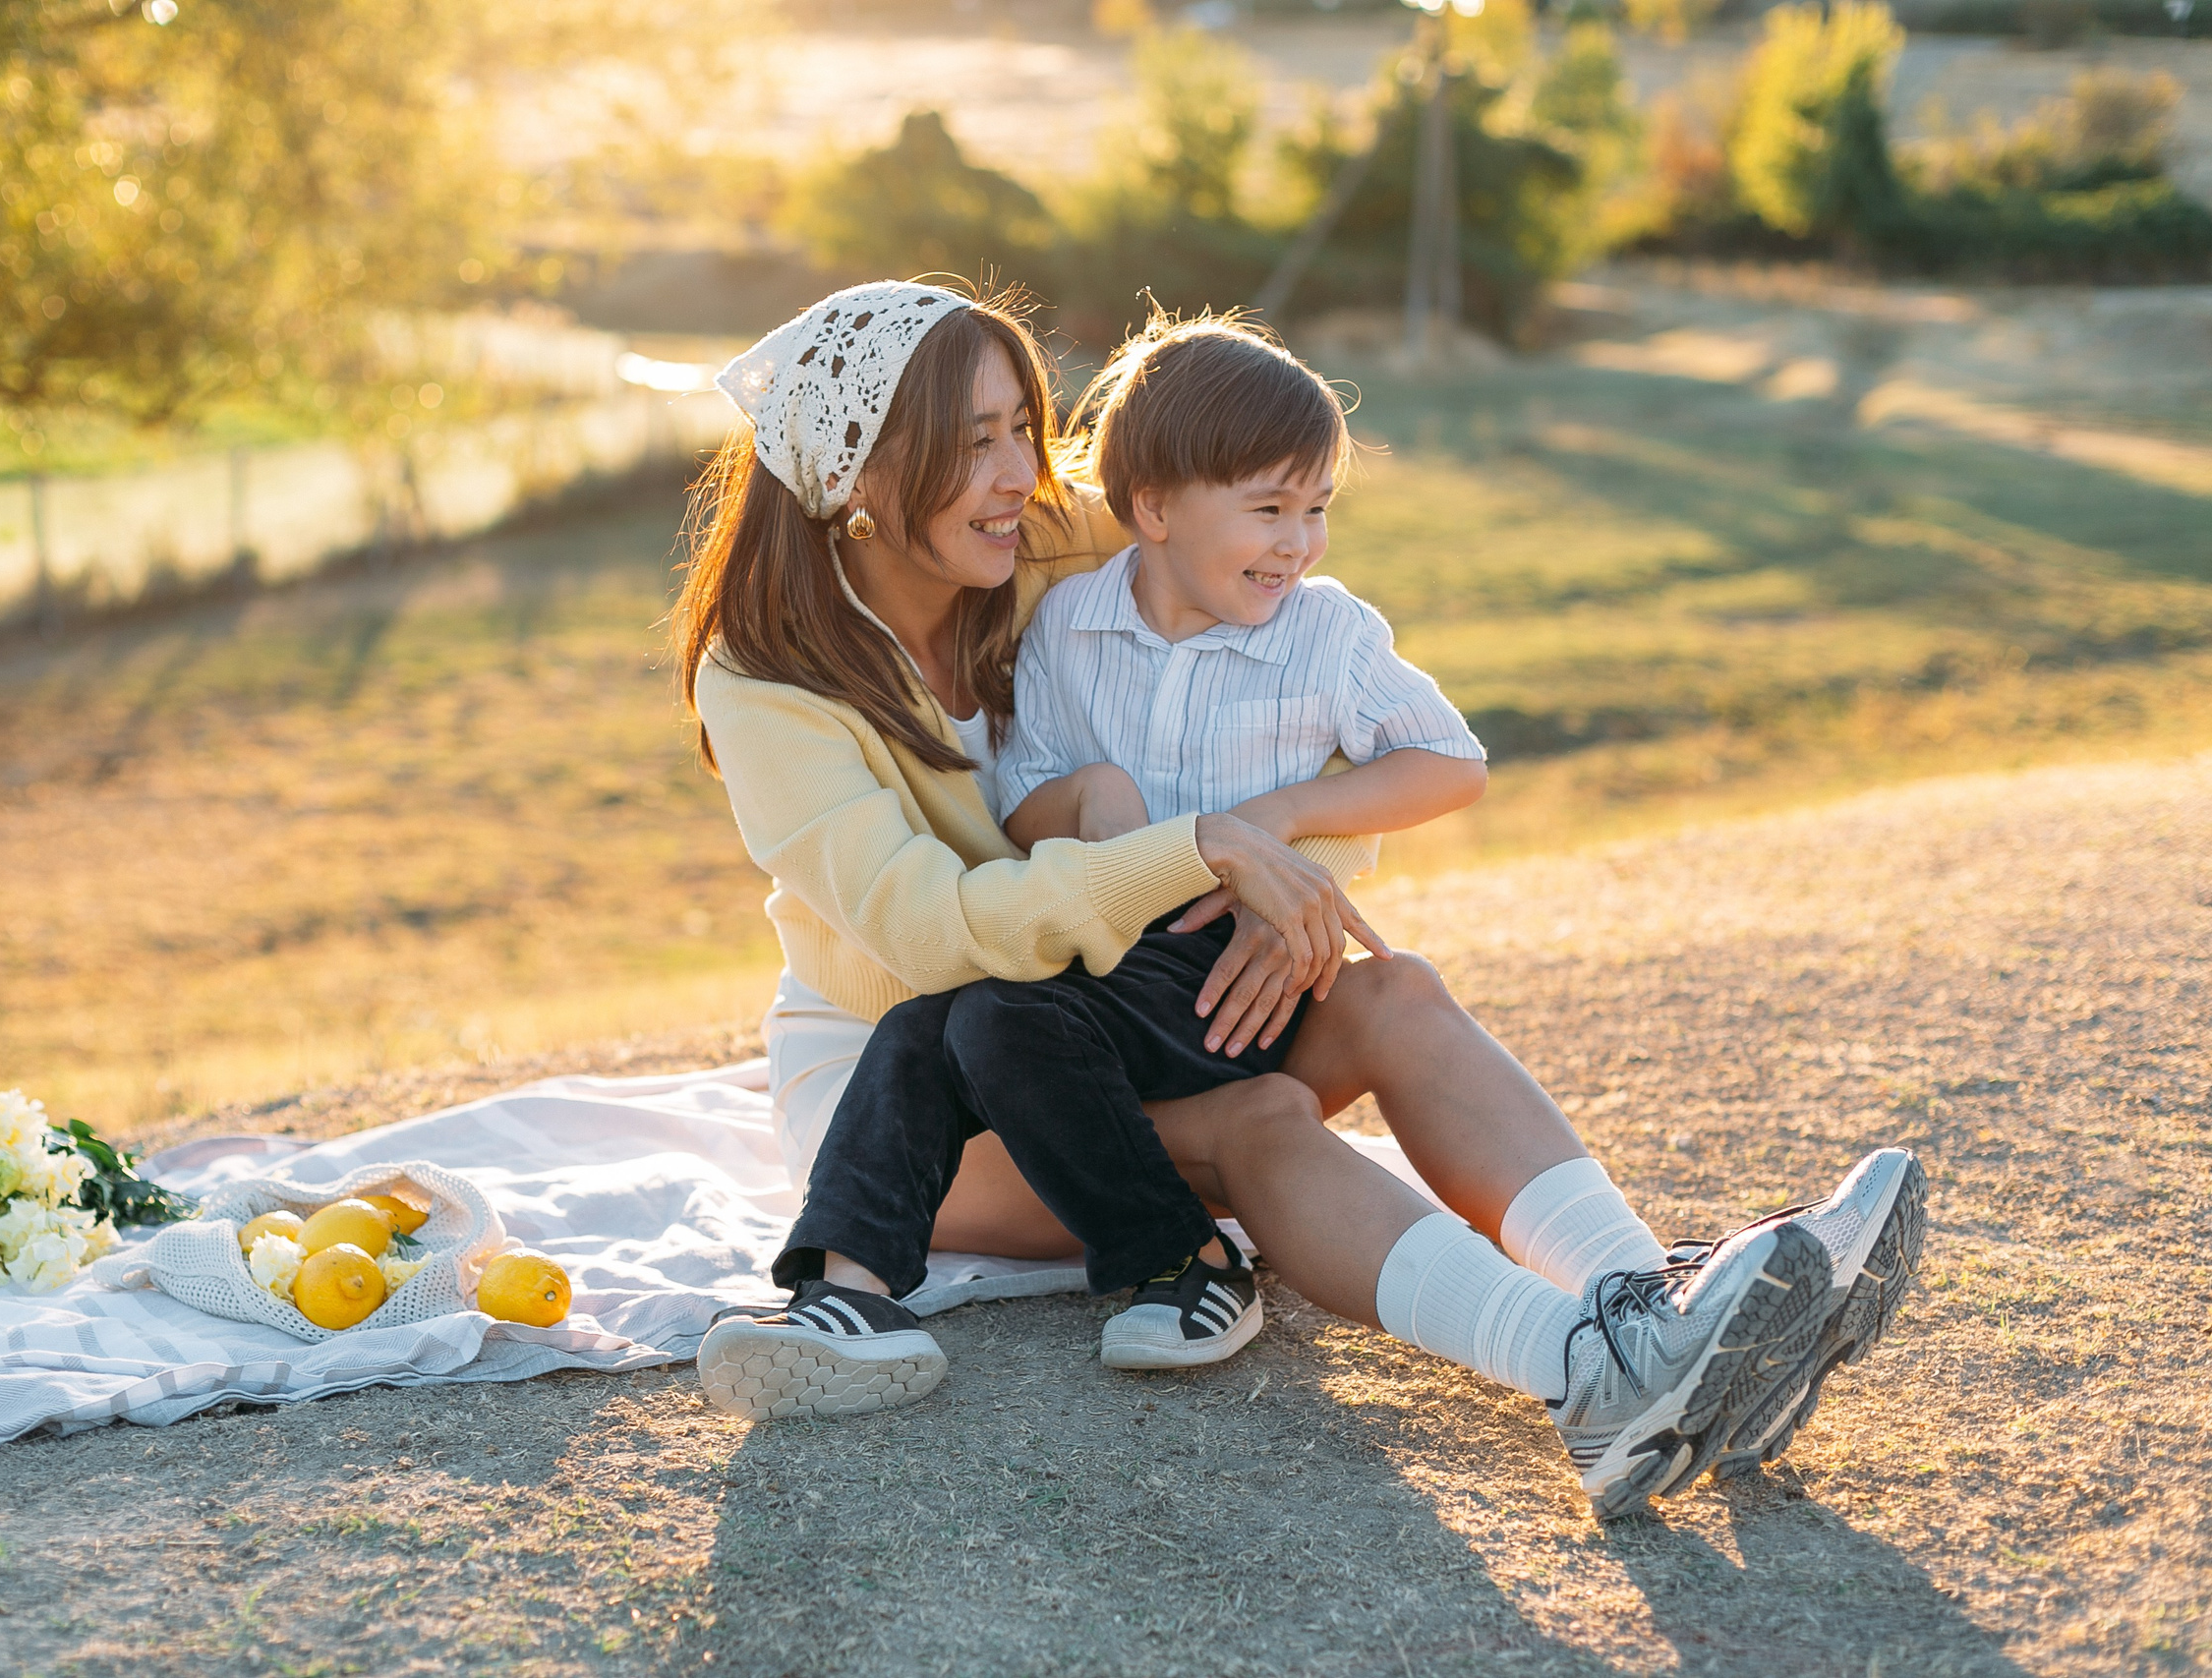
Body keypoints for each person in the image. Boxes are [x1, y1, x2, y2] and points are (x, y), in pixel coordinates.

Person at [676, 281, 1925, 1518]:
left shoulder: (1041, 534)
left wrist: (1285, 880)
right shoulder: (768, 681)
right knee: (1258, 1117)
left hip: (1133, 992)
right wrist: (1199, 851)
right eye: (973, 444)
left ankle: (1651, 1303)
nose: (1020, 476)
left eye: (1022, 427)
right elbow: (935, 935)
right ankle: (1581, 1372)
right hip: (929, 1084)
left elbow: (1259, 604)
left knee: (1394, 995)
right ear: (857, 470)